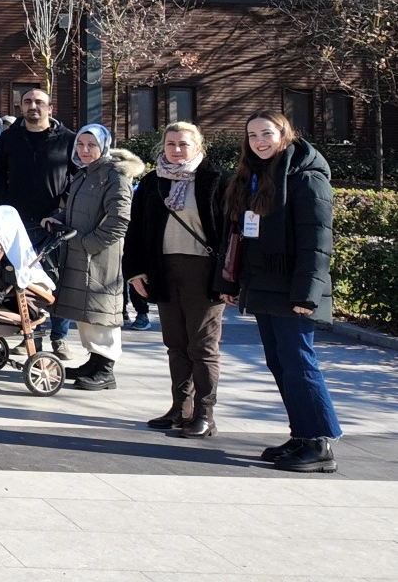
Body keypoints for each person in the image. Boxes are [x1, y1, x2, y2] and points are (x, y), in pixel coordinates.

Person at [217, 112, 340, 473]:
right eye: (253, 134)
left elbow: (317, 241)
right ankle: (302, 434)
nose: (260, 140)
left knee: (299, 363)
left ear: (285, 134)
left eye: (267, 133)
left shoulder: (306, 177)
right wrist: (231, 282)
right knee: (281, 363)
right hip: (265, 286)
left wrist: (307, 294)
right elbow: (241, 236)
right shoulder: (255, 176)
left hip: (292, 290)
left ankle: (319, 442)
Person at [124, 121, 227, 438]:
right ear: (163, 147)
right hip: (164, 270)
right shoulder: (155, 182)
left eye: (183, 144)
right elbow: (137, 229)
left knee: (202, 346)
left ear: (198, 146)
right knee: (176, 344)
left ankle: (204, 414)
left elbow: (230, 230)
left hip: (204, 272)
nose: (177, 149)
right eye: (171, 144)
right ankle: (180, 408)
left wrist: (229, 279)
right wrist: (135, 269)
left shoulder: (217, 179)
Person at [46, 123, 142, 391]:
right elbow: (75, 209)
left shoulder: (114, 175)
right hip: (79, 253)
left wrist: (89, 244)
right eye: (81, 144)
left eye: (92, 145)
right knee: (86, 313)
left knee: (101, 313)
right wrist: (56, 219)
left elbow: (120, 219)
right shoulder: (85, 174)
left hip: (99, 257)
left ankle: (106, 369)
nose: (85, 150)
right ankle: (94, 361)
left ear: (104, 146)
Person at [0, 87, 76, 357]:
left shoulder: (68, 139)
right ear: (20, 107)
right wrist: (5, 209)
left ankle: (59, 337)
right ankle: (30, 335)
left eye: (39, 102)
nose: (33, 106)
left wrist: (64, 208)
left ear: (50, 107)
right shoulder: (9, 138)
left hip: (55, 225)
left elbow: (78, 177)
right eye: (27, 102)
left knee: (58, 282)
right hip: (18, 226)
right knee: (21, 283)